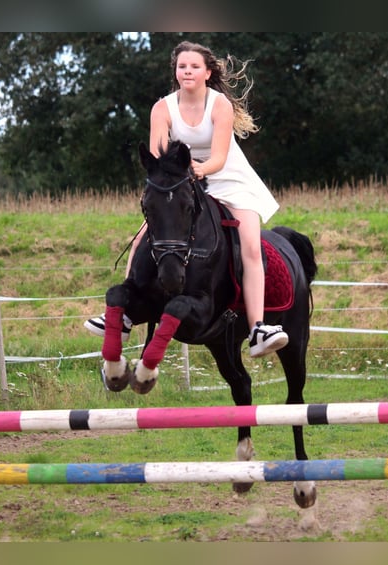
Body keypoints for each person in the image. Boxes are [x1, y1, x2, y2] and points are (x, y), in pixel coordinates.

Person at [85, 40, 288, 358]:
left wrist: (194, 170)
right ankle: (123, 316)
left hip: (228, 178)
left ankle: (258, 328)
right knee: (141, 238)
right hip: (181, 183)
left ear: (207, 72)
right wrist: (169, 177)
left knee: (250, 243)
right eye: (182, 67)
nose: (188, 71)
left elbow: (218, 158)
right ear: (176, 72)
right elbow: (156, 154)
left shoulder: (220, 105)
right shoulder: (162, 108)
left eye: (194, 66)